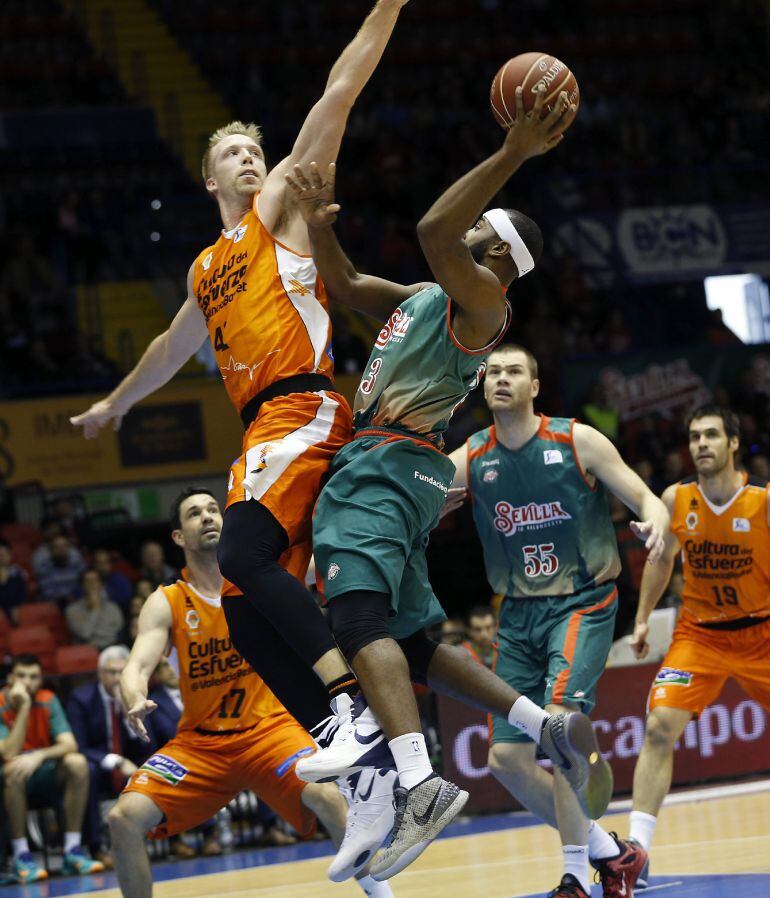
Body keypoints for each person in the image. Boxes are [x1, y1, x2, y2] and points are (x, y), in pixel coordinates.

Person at [288, 86, 613, 881]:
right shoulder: (432, 297)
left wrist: (512, 154)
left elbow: (436, 229)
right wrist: (325, 234)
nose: (464, 232)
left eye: (481, 233)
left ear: (496, 251)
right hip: (400, 468)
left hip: (387, 463)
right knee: (416, 641)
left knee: (357, 617)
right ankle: (543, 722)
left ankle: (418, 780)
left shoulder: (483, 301)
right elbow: (357, 290)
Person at [70, 0, 411, 744]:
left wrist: (387, 6)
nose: (249, 157)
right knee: (241, 605)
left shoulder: (280, 208)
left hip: (307, 406)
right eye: (233, 153)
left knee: (237, 553)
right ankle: (354, 757)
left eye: (254, 149)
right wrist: (115, 404)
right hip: (261, 427)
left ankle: (350, 702)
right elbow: (168, 346)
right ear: (208, 178)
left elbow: (338, 91)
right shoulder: (204, 268)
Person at [447, 343, 669, 898]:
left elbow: (647, 498)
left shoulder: (576, 440)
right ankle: (611, 854)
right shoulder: (472, 458)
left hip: (581, 602)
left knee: (561, 728)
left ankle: (575, 875)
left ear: (535, 385)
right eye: (493, 371)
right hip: (517, 614)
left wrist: (658, 523)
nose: (501, 378)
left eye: (513, 371)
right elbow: (409, 504)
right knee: (504, 758)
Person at [108, 488, 393, 898]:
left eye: (213, 510)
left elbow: (325, 564)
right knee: (124, 818)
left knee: (330, 799)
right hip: (201, 745)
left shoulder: (260, 577)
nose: (207, 517)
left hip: (270, 733)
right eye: (194, 514)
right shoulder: (167, 600)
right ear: (178, 537)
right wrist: (133, 696)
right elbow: (136, 665)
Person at [627, 405, 770, 888]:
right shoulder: (675, 498)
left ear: (733, 444)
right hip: (700, 635)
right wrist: (643, 618)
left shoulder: (762, 502)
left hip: (762, 634)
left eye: (711, 435)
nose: (701, 444)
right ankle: (637, 851)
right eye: (694, 436)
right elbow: (662, 559)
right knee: (659, 727)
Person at [0, 654, 104, 882]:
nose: (28, 682)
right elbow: (7, 752)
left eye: (34, 677)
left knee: (77, 763)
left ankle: (73, 850)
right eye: (22, 676)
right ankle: (21, 856)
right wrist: (25, 706)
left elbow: (69, 744)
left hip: (44, 775)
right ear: (10, 679)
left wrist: (38, 755)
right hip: (10, 783)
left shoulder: (48, 699)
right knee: (12, 770)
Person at [67, 645, 152, 868]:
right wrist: (115, 761)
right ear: (99, 673)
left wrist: (128, 714)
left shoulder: (136, 696)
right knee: (88, 773)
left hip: (130, 765)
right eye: (111, 672)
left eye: (121, 673)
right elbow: (78, 745)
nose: (116, 679)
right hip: (99, 765)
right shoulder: (81, 698)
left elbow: (146, 743)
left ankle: (167, 838)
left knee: (154, 765)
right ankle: (97, 847)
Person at [65, 568, 125, 649]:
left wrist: (94, 633)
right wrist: (95, 610)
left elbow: (118, 630)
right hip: (88, 651)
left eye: (95, 580)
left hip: (112, 648)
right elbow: (85, 633)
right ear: (82, 585)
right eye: (87, 581)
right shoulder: (72, 610)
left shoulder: (113, 607)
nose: (92, 584)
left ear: (101, 584)